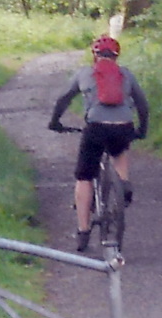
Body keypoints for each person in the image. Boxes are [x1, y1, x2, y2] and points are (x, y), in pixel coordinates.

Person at [48, 36, 149, 252]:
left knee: (84, 177)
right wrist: (142, 130)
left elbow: (63, 99)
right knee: (119, 151)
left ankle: (83, 231)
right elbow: (143, 104)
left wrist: (55, 122)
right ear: (116, 56)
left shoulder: (84, 73)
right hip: (123, 127)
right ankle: (123, 185)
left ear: (95, 55)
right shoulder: (126, 74)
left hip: (96, 128)